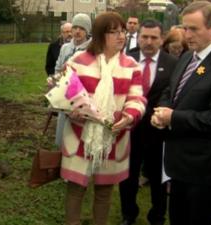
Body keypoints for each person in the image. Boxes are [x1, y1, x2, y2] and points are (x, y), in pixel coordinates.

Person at [151, 1, 211, 225]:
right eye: (185, 28)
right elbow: (170, 92)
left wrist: (173, 118)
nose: (187, 34)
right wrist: (160, 112)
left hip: (204, 170)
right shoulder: (187, 58)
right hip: (178, 164)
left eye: (194, 28)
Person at [60, 12, 146, 225]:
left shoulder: (131, 66)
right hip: (79, 137)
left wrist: (128, 117)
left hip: (113, 140)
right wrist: (73, 109)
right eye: (114, 32)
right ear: (100, 35)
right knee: (75, 189)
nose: (121, 36)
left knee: (105, 191)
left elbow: (137, 98)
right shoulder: (77, 62)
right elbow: (64, 94)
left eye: (123, 31)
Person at [119, 19, 177, 225]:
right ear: (138, 37)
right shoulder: (126, 59)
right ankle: (128, 214)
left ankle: (158, 216)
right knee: (128, 176)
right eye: (144, 36)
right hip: (129, 130)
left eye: (154, 37)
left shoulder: (173, 64)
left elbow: (173, 96)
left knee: (157, 178)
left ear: (162, 40)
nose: (149, 41)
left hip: (158, 132)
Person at [53, 13, 92, 148]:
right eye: (75, 27)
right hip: (64, 95)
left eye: (81, 28)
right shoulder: (65, 48)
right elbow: (58, 68)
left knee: (78, 138)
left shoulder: (92, 49)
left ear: (87, 30)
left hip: (83, 98)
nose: (77, 31)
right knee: (63, 132)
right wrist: (54, 79)